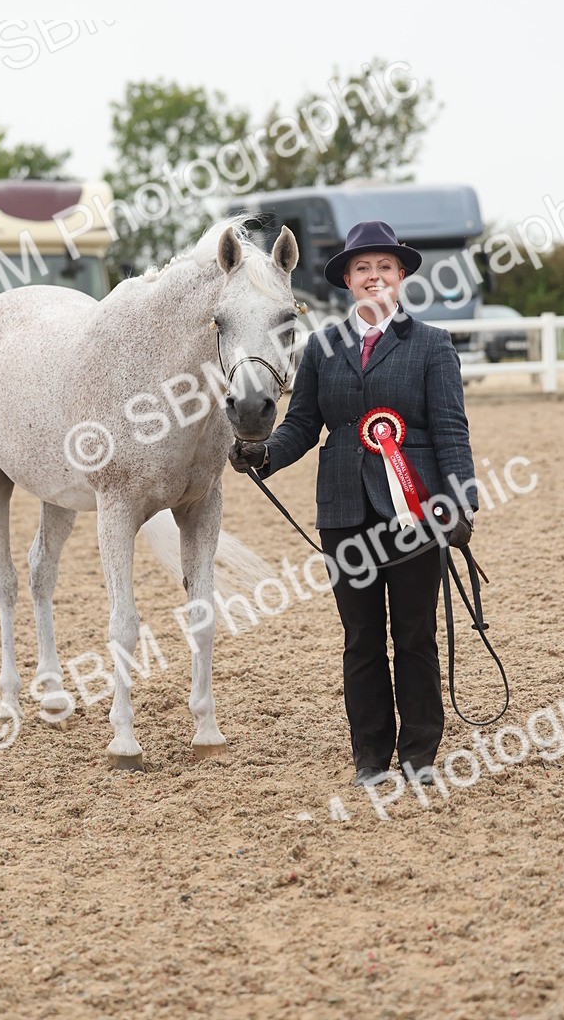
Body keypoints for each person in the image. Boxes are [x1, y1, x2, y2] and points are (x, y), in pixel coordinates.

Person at [229, 220, 478, 788]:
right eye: (362, 268)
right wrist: (264, 453)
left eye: (384, 267)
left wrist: (462, 502)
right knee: (361, 638)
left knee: (414, 635)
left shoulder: (432, 345)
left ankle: (419, 754)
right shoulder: (322, 348)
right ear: (347, 279)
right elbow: (302, 426)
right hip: (343, 511)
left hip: (417, 511)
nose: (374, 276)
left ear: (401, 275)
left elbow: (450, 429)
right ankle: (370, 755)